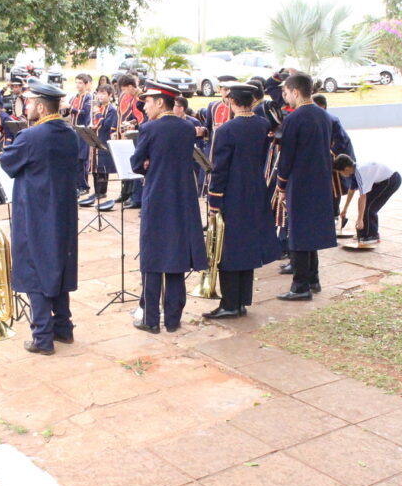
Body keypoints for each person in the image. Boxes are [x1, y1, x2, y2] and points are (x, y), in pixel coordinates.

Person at [0, 79, 80, 356]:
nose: (27, 106)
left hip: (36, 212)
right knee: (58, 263)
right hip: (64, 212)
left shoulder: (31, 136)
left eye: (31, 102)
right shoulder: (70, 134)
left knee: (35, 267)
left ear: (42, 107)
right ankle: (63, 328)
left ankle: (42, 338)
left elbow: (7, 162)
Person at [130, 80, 207, 333]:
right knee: (176, 256)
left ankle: (151, 319)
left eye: (148, 102)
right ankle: (173, 320)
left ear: (160, 102)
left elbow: (135, 163)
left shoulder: (149, 129)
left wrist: (147, 162)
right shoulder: (187, 128)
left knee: (152, 257)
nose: (145, 108)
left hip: (158, 197)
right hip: (183, 198)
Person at [203, 83, 280, 319]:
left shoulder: (226, 130)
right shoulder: (262, 124)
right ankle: (242, 300)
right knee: (246, 246)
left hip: (233, 194)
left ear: (233, 102)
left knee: (227, 249)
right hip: (256, 190)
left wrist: (214, 201)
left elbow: (219, 169)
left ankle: (230, 304)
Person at [275, 73, 336, 300]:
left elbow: (287, 157)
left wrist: (281, 185)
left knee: (299, 233)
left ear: (296, 92)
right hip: (320, 180)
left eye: (287, 92)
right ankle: (313, 279)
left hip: (300, 181)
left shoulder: (294, 118)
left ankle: (300, 286)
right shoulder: (323, 115)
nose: (286, 97)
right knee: (310, 231)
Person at [331, 154, 401, 247]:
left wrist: (360, 219)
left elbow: (362, 197)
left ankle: (371, 235)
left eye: (340, 172)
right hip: (381, 181)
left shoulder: (360, 173)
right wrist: (345, 209)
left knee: (369, 207)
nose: (341, 175)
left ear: (346, 169)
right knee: (366, 206)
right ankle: (364, 233)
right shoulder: (355, 170)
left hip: (391, 180)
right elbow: (351, 190)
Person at [313, 94, 357, 233]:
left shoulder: (331, 120)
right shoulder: (316, 119)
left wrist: (328, 154)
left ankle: (335, 215)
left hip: (337, 159)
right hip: (325, 158)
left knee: (335, 187)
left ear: (322, 106)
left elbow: (340, 141)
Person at [81, 84, 117, 210]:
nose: (100, 96)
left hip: (104, 140)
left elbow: (107, 125)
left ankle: (102, 191)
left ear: (110, 95)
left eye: (103, 94)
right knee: (95, 167)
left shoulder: (111, 109)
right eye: (99, 94)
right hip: (95, 139)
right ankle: (96, 191)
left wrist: (97, 115)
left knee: (102, 167)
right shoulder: (99, 108)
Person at [116, 74, 146, 207]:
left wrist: (137, 125)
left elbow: (147, 117)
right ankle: (133, 195)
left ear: (130, 86)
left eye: (124, 89)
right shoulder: (133, 98)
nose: (124, 93)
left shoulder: (141, 97)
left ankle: (138, 198)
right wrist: (133, 122)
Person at [174, 95, 207, 195]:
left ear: (181, 108)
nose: (172, 108)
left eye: (174, 106)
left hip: (191, 156)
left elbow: (199, 144)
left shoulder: (193, 122)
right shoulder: (170, 121)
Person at [70, 73, 94, 197]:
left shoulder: (88, 98)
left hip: (83, 132)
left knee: (82, 160)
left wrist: (71, 108)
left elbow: (85, 113)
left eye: (80, 83)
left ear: (86, 84)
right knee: (74, 160)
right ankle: (76, 185)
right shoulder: (74, 97)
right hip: (73, 132)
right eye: (77, 82)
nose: (78, 85)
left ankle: (84, 186)